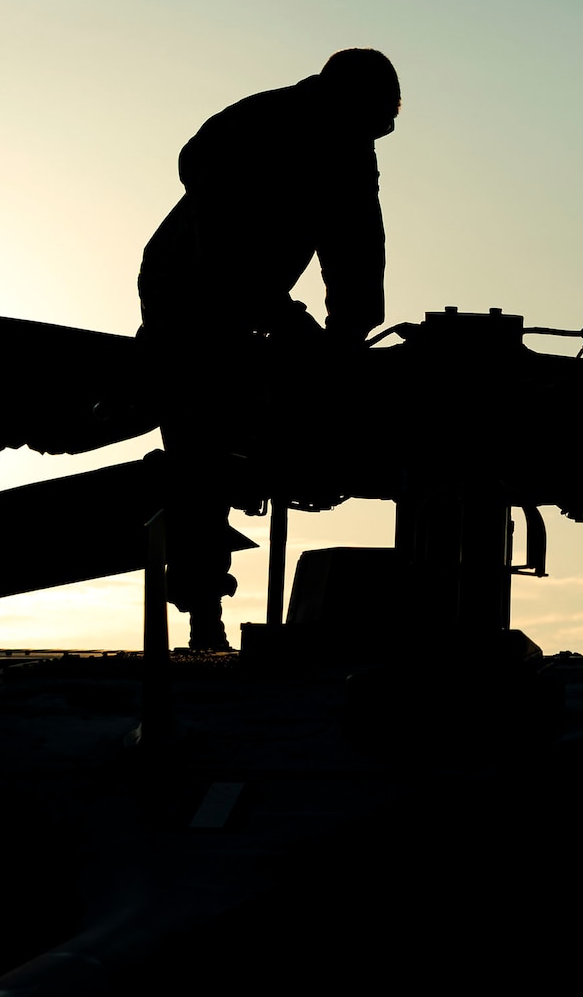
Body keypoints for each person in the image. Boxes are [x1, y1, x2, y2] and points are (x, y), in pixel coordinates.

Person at [138, 48, 398, 650]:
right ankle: (204, 611)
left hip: (254, 298)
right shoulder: (250, 128)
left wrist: (350, 335)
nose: (373, 137)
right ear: (341, 100)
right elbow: (218, 246)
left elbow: (358, 244)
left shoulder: (351, 142)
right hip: (186, 290)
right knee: (200, 441)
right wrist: (279, 316)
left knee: (258, 413)